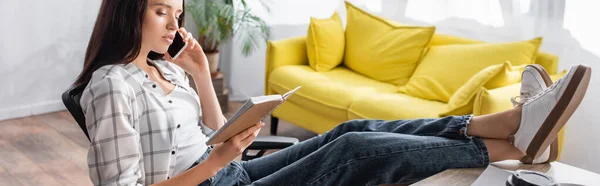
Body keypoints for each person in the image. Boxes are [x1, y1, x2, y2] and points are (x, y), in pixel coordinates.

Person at [74, 0, 592, 185]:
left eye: (178, 13)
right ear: (127, 10)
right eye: (161, 10)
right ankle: (511, 142)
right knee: (352, 148)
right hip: (212, 183)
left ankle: (502, 128)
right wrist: (216, 164)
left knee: (348, 128)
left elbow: (209, 135)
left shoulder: (167, 72)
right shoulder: (111, 85)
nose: (173, 23)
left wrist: (201, 76)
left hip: (226, 172)